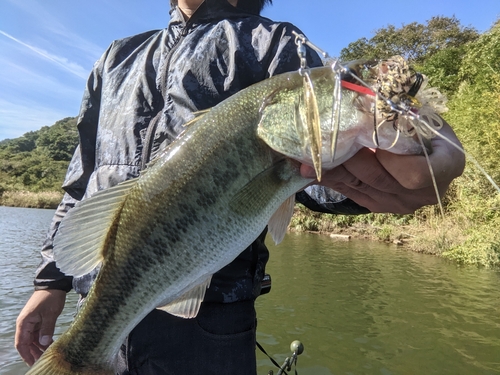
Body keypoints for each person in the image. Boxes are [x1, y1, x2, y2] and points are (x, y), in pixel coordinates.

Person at [15, 0, 465, 374]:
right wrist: (50, 281)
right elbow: (81, 185)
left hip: (210, 326)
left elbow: (322, 178)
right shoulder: (117, 57)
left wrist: (411, 155)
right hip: (98, 297)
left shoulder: (279, 46)